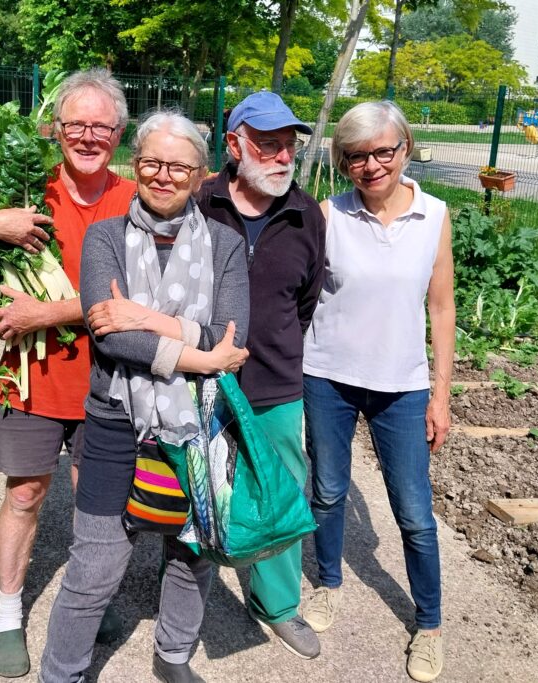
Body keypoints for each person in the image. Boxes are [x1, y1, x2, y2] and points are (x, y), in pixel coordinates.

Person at [0, 69, 137, 678]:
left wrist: (48, 311)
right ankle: (9, 612)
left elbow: (143, 291)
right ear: (55, 129)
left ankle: (90, 597)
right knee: (25, 494)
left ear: (117, 134)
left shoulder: (133, 200)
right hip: (31, 377)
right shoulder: (21, 188)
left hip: (111, 381)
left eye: (101, 126)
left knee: (100, 501)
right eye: (76, 125)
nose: (88, 136)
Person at [38, 111, 249, 683]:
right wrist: (199, 356)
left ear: (201, 174)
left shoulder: (225, 246)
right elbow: (112, 336)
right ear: (136, 165)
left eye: (178, 166)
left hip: (199, 424)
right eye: (152, 162)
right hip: (115, 418)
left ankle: (174, 653)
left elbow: (233, 335)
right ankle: (63, 673)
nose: (163, 175)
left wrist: (145, 316)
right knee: (96, 562)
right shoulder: (106, 237)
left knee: (191, 550)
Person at [299, 100, 456, 683]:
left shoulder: (435, 216)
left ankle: (430, 623)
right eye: (357, 156)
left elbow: (441, 308)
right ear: (345, 163)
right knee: (329, 492)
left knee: (415, 513)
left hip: (403, 386)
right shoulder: (328, 215)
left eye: (382, 152)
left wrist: (440, 395)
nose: (371, 166)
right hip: (330, 378)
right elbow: (302, 295)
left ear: (405, 148)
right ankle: (329, 583)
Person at [196, 91, 326, 660]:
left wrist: (268, 344)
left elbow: (306, 299)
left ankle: (277, 605)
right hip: (199, 377)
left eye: (289, 147)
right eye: (268, 146)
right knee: (195, 483)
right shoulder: (199, 202)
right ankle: (184, 592)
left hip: (275, 380)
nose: (282, 158)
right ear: (234, 146)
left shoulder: (305, 213)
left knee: (280, 490)